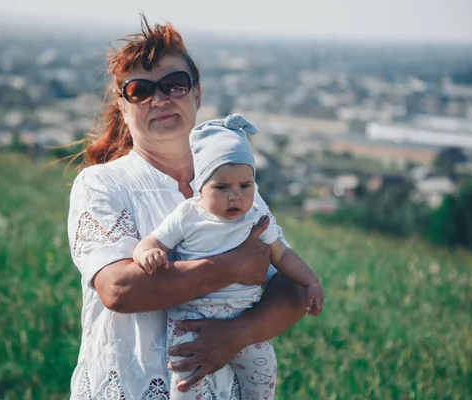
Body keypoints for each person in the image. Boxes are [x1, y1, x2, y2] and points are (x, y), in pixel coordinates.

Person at [67, 15, 307, 400]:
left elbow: (293, 287)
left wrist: (236, 336)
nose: (159, 99)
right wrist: (231, 266)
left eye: (174, 85)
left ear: (197, 94)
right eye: (140, 90)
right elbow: (119, 289)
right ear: (124, 107)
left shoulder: (236, 187)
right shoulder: (101, 185)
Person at [133, 113, 324, 399]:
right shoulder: (188, 216)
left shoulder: (256, 217)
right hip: (191, 319)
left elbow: (283, 255)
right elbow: (153, 240)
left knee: (263, 373)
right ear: (202, 188)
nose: (235, 196)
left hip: (244, 315)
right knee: (187, 379)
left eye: (245, 186)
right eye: (222, 187)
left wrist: (311, 282)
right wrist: (148, 253)